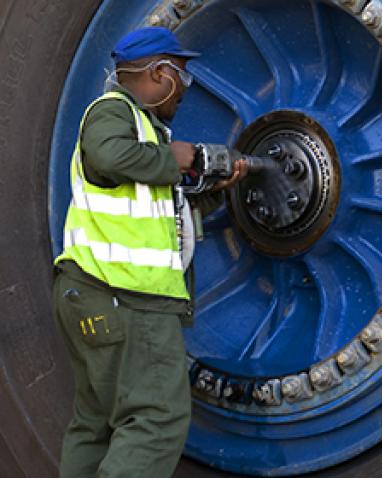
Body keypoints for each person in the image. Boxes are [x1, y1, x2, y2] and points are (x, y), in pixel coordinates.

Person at [51, 27, 246, 478]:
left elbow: (168, 216)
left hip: (93, 295)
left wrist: (216, 188)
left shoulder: (147, 139)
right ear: (160, 73)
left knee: (95, 426)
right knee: (158, 420)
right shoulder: (112, 111)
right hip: (125, 299)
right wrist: (180, 157)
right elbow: (106, 155)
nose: (184, 90)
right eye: (183, 77)